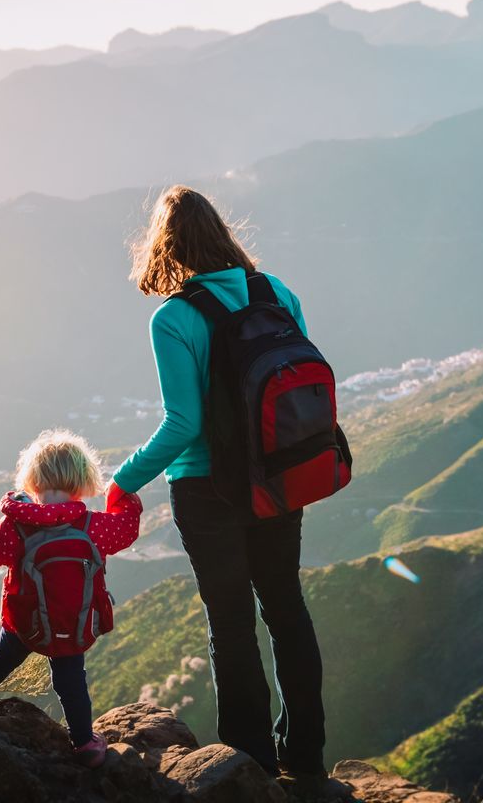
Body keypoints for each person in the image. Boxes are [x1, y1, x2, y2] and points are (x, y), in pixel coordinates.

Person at [112, 186, 347, 801]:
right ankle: (308, 757)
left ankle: (252, 766)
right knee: (286, 607)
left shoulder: (174, 317)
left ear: (166, 246)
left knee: (231, 623)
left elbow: (184, 424)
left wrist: (123, 479)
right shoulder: (279, 293)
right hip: (279, 477)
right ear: (221, 232)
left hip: (207, 488)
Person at [0, 429, 142, 767]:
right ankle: (85, 743)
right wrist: (121, 494)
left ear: (32, 479)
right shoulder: (92, 527)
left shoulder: (15, 528)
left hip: (24, 624)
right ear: (82, 479)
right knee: (71, 681)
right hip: (74, 625)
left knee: (1, 658)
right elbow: (127, 527)